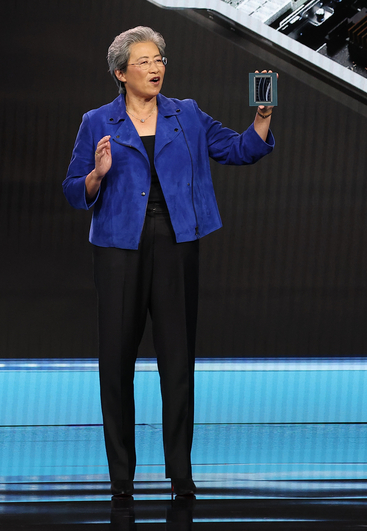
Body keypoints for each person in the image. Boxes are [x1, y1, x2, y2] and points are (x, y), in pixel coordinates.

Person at [62, 26, 275, 498]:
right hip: (119, 247)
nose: (155, 67)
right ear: (121, 73)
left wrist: (262, 117)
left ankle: (181, 473)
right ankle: (121, 477)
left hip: (177, 241)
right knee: (116, 362)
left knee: (177, 361)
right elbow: (74, 189)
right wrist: (97, 174)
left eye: (159, 59)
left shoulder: (188, 114)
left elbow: (239, 149)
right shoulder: (97, 121)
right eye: (143, 61)